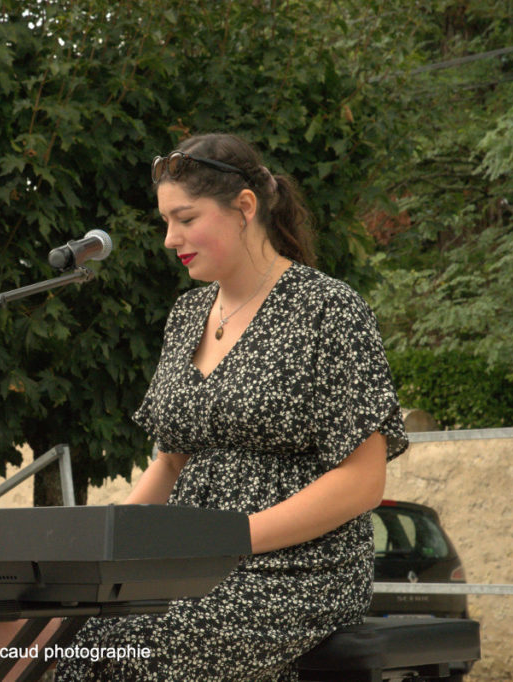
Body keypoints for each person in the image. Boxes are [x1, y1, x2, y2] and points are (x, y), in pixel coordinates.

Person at [50, 133, 409, 681]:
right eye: (166, 222)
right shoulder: (186, 314)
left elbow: (361, 480)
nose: (170, 239)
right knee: (38, 632)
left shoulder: (328, 309)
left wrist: (236, 536)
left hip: (296, 574)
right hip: (188, 568)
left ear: (244, 207)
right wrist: (104, 547)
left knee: (133, 650)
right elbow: (170, 464)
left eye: (185, 218)